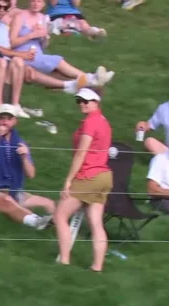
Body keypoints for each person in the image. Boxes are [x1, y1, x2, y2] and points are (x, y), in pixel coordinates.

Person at [53, 88, 112, 272]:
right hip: (104, 176)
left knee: (60, 215)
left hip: (89, 175)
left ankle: (64, 260)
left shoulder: (90, 122)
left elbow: (81, 153)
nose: (82, 104)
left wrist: (69, 181)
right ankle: (97, 266)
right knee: (96, 223)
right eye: (79, 100)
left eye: (86, 101)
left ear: (96, 101)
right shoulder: (104, 121)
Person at [8, 1, 113, 92]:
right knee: (58, 61)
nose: (36, 4)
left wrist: (44, 38)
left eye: (39, 1)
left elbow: (43, 46)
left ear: (43, 4)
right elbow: (11, 43)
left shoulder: (43, 18)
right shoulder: (20, 17)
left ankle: (87, 83)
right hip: (22, 54)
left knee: (59, 71)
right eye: (33, 1)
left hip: (37, 54)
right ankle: (91, 78)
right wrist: (31, 35)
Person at [0, 104, 56, 215]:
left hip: (14, 190)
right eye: (2, 118)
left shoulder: (20, 143)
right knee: (13, 205)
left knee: (49, 204)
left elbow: (31, 174)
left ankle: (55, 225)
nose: (5, 122)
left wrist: (24, 158)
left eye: (9, 119)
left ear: (15, 121)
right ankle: (36, 220)